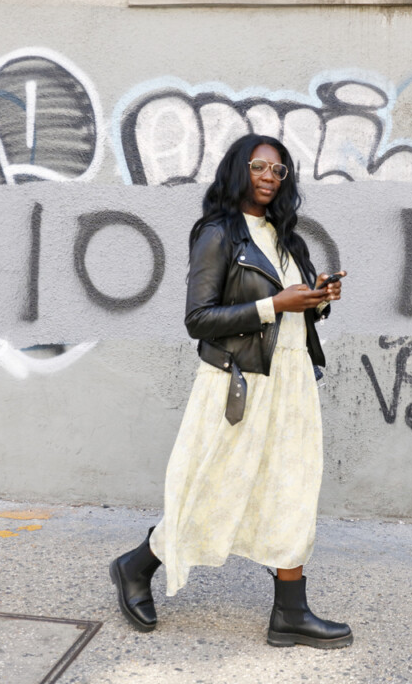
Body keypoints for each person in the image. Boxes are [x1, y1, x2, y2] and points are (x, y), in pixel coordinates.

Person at [110, 134, 352, 649]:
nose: (269, 176)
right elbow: (198, 319)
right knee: (213, 487)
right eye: (260, 166)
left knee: (293, 489)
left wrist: (319, 298)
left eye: (278, 171)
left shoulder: (290, 238)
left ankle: (290, 612)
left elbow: (293, 308)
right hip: (236, 382)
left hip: (291, 381)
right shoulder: (218, 234)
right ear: (238, 170)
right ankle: (135, 566)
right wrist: (275, 306)